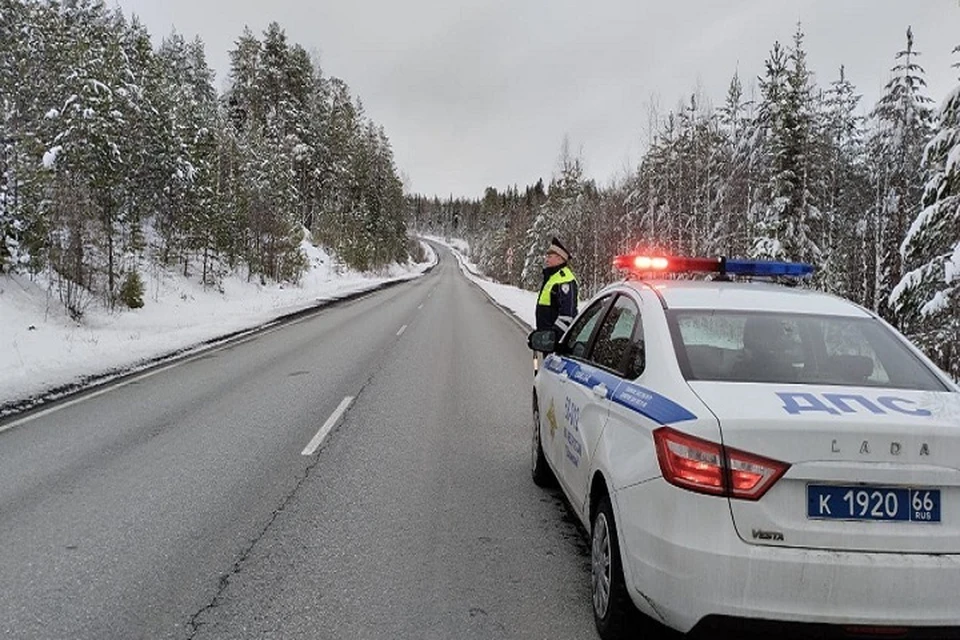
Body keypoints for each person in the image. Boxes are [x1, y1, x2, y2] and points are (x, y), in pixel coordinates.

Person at [536, 236, 579, 339]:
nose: (546, 260)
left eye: (550, 257)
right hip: (546, 338)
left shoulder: (565, 280)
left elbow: (567, 315)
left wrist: (555, 337)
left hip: (555, 341)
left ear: (560, 258)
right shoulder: (552, 277)